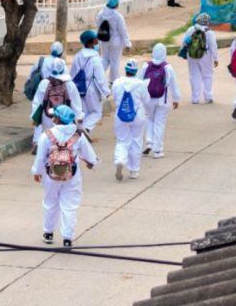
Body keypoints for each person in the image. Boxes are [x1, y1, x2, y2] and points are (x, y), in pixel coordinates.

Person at [32, 105, 97, 248]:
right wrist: (92, 162)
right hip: (72, 175)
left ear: (57, 119)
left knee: (50, 202)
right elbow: (89, 155)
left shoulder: (46, 135)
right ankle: (67, 238)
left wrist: (37, 172)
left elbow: (40, 157)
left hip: (51, 175)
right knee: (70, 206)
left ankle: (48, 232)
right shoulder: (78, 136)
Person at [111, 59, 152, 181]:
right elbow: (147, 101)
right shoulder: (141, 84)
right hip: (137, 116)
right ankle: (134, 170)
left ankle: (120, 159)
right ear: (136, 71)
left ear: (126, 70)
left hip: (120, 116)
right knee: (136, 141)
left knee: (122, 140)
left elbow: (115, 97)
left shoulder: (117, 82)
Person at [140, 44, 182, 158]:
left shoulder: (146, 66)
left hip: (148, 99)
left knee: (149, 119)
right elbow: (174, 84)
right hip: (162, 99)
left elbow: (139, 82)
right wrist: (176, 99)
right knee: (159, 123)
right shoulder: (168, 67)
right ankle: (157, 150)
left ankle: (149, 142)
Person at [31, 58, 84, 149]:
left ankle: (43, 148)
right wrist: (79, 124)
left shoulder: (44, 83)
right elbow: (77, 107)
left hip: (47, 119)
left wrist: (34, 118)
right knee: (65, 144)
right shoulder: (70, 84)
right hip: (65, 121)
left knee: (48, 143)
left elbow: (37, 105)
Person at [69, 30, 110, 137]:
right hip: (92, 89)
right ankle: (85, 128)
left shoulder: (77, 56)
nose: (97, 41)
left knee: (85, 112)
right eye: (96, 39)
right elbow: (100, 77)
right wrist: (106, 92)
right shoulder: (95, 59)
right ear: (91, 42)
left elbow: (72, 74)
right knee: (96, 112)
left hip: (79, 88)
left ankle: (81, 132)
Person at [182, 13, 218, 104]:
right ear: (207, 22)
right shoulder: (210, 32)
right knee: (207, 75)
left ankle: (195, 98)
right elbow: (213, 46)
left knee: (194, 76)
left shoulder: (191, 29)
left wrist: (185, 52)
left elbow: (184, 42)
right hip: (205, 55)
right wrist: (216, 58)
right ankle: (208, 96)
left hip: (192, 55)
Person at [95, 0, 132, 82]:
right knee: (114, 61)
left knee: (105, 58)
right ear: (115, 5)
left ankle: (97, 75)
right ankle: (113, 80)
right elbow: (123, 30)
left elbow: (98, 26)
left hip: (104, 40)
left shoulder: (100, 14)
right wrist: (127, 43)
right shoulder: (118, 16)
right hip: (116, 41)